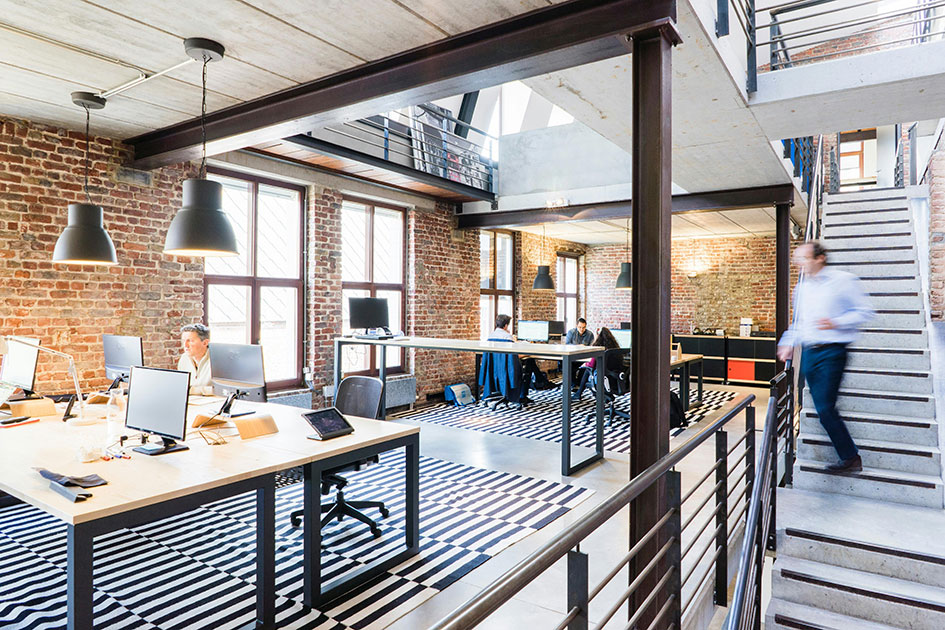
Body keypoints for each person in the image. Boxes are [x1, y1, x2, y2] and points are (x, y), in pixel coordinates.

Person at [777, 241, 873, 473]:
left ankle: (850, 457)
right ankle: (849, 455)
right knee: (821, 406)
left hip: (832, 351)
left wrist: (836, 322)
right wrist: (788, 343)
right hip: (809, 352)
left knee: (825, 407)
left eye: (804, 259)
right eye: (798, 260)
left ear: (820, 258)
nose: (800, 264)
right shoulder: (802, 288)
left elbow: (865, 311)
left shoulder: (843, 281)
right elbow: (799, 322)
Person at [488, 314, 537, 403]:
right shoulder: (507, 337)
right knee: (529, 363)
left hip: (495, 370)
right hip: (508, 370)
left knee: (529, 362)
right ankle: (522, 396)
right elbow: (514, 356)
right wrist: (528, 353)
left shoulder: (490, 336)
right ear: (506, 325)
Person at [572, 327, 622, 400]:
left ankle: (578, 393)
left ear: (598, 336)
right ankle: (603, 395)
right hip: (616, 379)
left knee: (587, 370)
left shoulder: (598, 348)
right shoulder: (615, 348)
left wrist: (585, 365)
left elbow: (591, 365)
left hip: (603, 379)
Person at [177, 323, 214, 395]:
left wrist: (194, 390)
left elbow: (224, 391)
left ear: (205, 342)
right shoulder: (184, 358)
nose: (185, 345)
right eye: (184, 341)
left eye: (190, 341)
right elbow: (181, 387)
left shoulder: (218, 361)